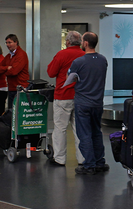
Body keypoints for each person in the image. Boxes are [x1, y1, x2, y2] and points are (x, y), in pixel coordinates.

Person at [69, 32, 108, 175]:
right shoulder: (103, 60)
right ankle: (99, 162)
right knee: (96, 132)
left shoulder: (78, 62)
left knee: (84, 133)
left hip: (83, 103)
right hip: (97, 103)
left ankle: (89, 164)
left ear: (85, 43)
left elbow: (71, 79)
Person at [46, 31, 85, 166]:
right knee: (79, 129)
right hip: (80, 97)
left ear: (67, 42)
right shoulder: (84, 55)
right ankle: (82, 159)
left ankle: (59, 159)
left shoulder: (61, 54)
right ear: (80, 42)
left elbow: (51, 73)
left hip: (63, 97)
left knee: (60, 128)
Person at [0, 34, 29, 109]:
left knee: (18, 113)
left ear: (16, 42)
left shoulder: (21, 54)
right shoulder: (8, 56)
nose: (7, 45)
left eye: (9, 42)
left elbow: (14, 71)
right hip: (11, 88)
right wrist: (7, 68)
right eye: (6, 43)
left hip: (20, 88)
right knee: (11, 113)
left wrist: (6, 72)